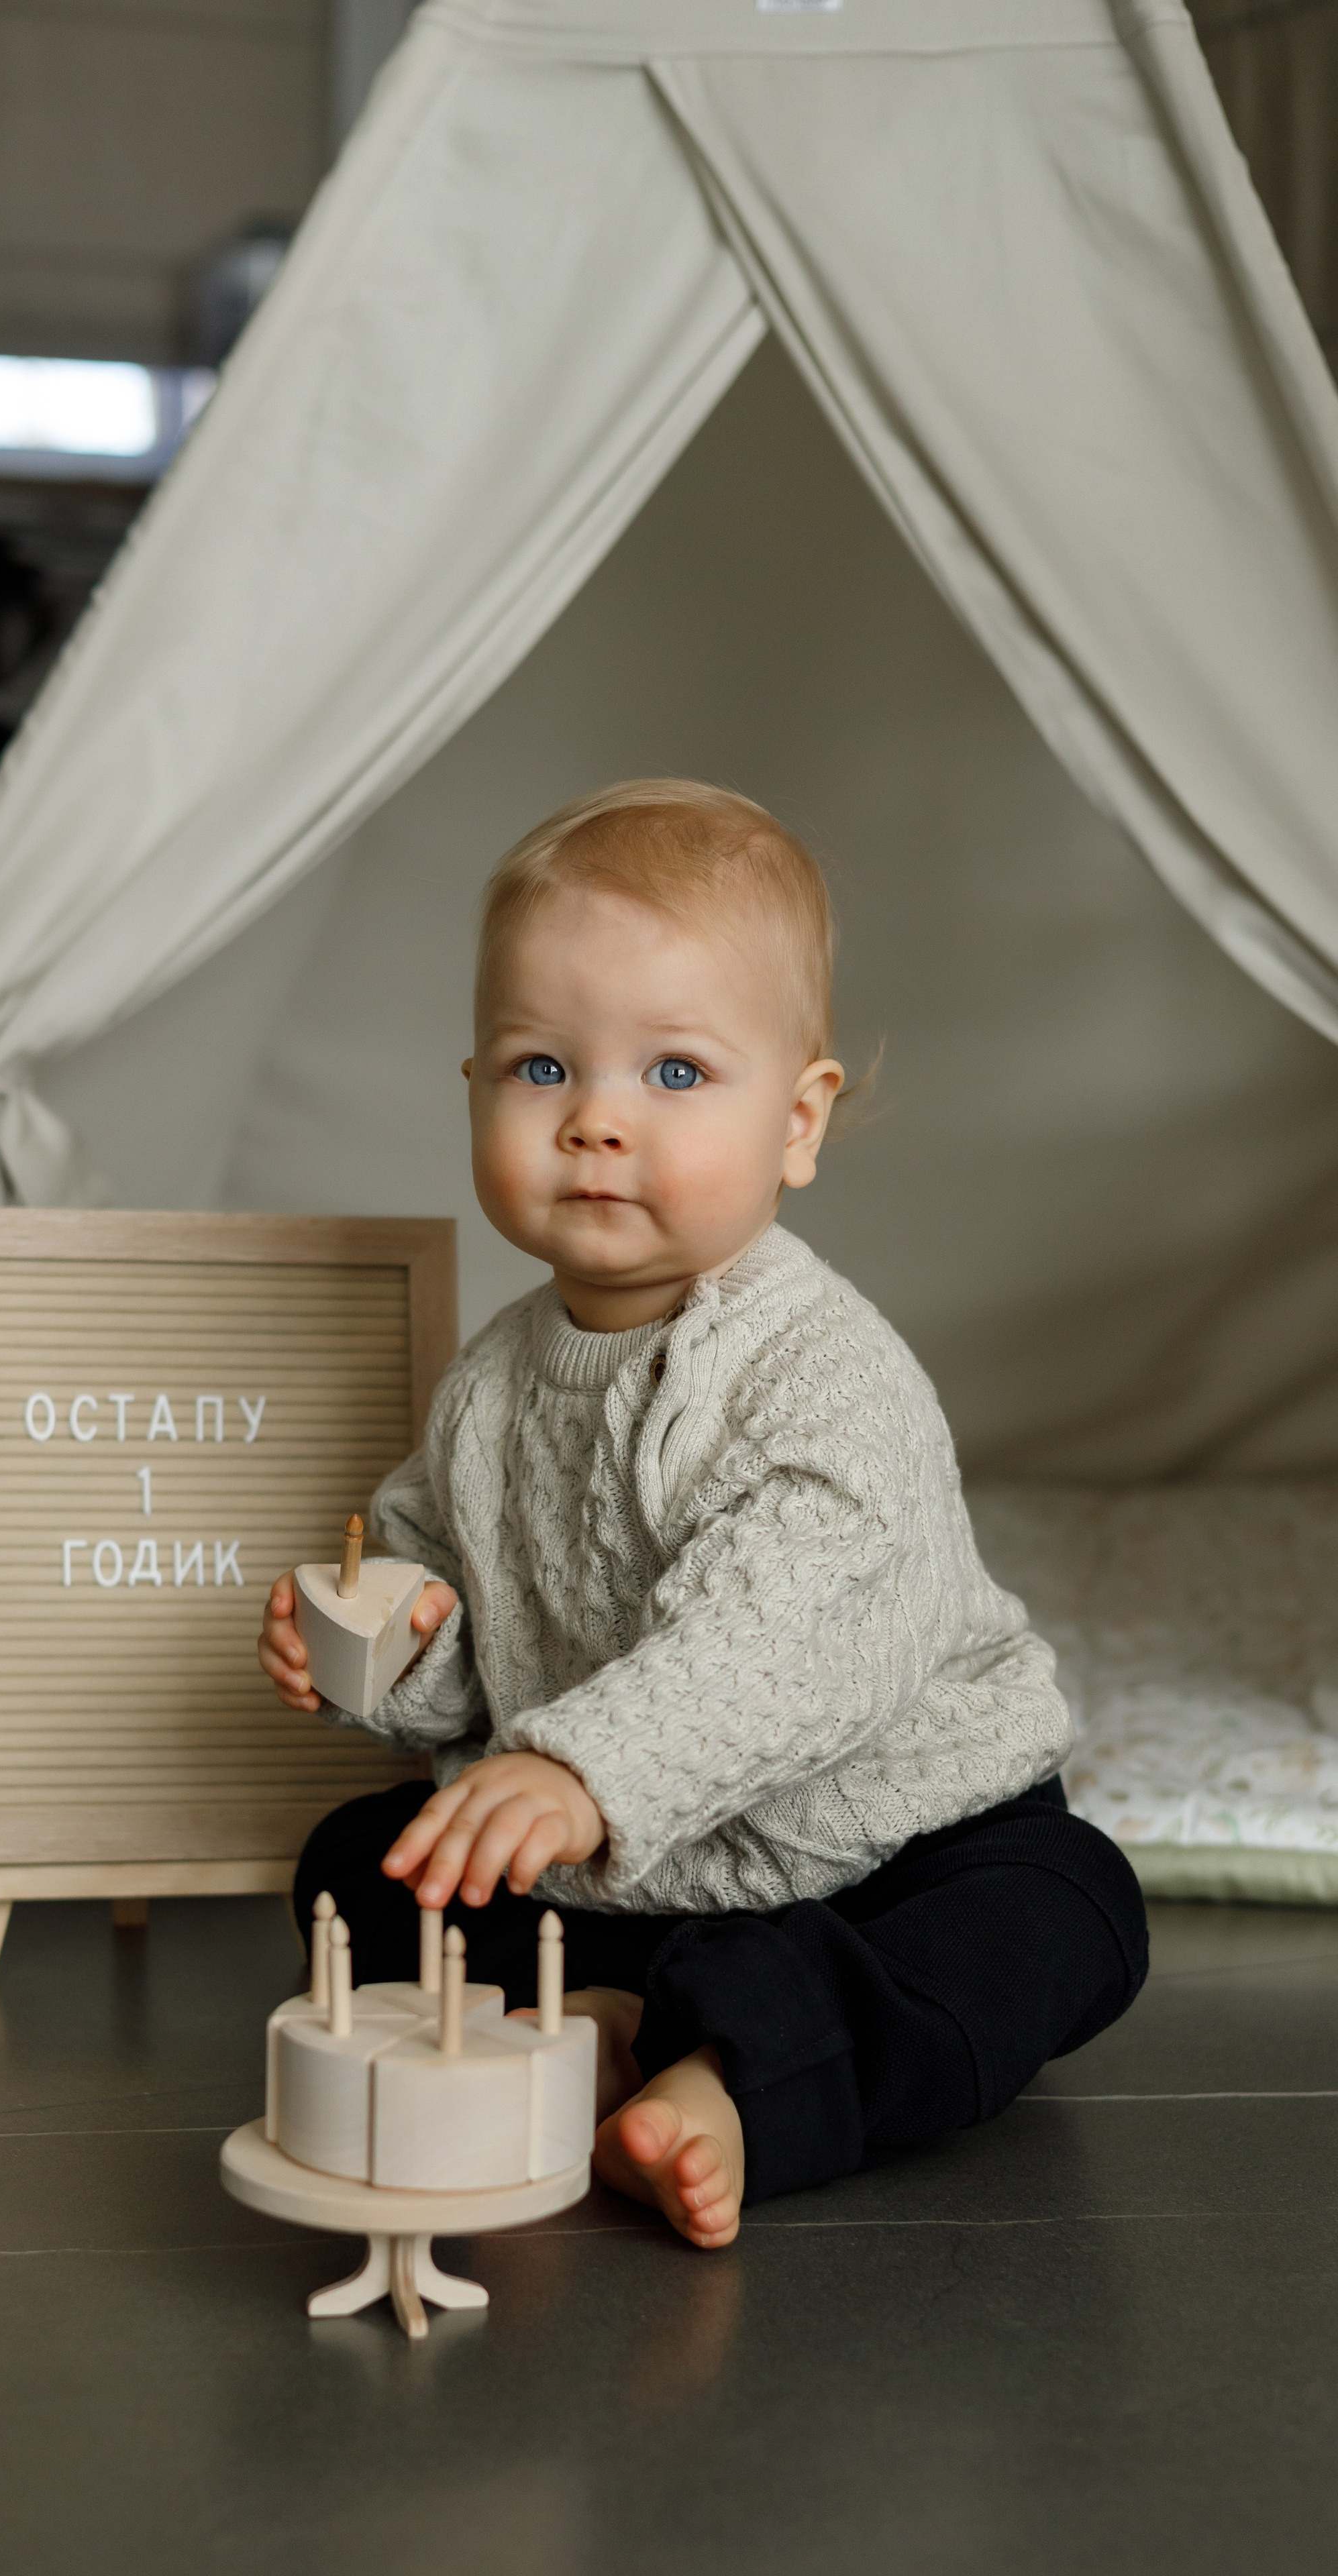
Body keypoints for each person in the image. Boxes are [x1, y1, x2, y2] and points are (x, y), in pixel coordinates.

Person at [256, 778, 1147, 2250]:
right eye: (542, 1069)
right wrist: (392, 1640)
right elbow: (455, 1608)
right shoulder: (487, 1389)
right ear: (472, 1087)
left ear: (797, 1123)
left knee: (1061, 1910)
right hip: (624, 1870)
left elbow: (781, 1641)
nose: (596, 1121)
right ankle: (606, 2016)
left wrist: (580, 1772)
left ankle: (738, 2077)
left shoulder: (816, 1370)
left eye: (673, 1075)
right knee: (359, 1865)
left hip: (875, 1847)